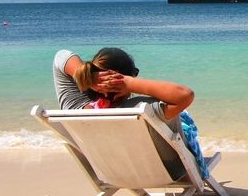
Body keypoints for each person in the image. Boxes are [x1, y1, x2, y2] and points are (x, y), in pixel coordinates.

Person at [52, 47, 208, 177]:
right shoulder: (141, 110)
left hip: (111, 174)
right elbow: (185, 95)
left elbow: (61, 56)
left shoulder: (73, 106)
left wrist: (90, 78)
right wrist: (129, 83)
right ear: (128, 77)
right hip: (167, 173)